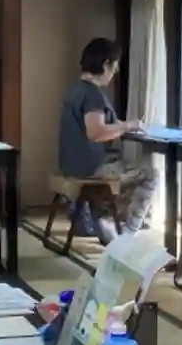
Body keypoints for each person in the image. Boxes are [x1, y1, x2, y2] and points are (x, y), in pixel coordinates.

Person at [57, 37, 160, 243]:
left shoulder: (76, 89)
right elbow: (96, 132)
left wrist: (121, 125)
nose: (116, 71)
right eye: (115, 65)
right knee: (151, 174)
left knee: (125, 166)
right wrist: (127, 126)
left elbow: (96, 124)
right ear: (106, 65)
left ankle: (106, 222)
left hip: (70, 165)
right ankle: (128, 234)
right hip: (91, 168)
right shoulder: (93, 94)